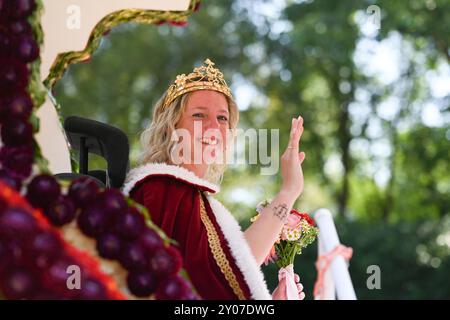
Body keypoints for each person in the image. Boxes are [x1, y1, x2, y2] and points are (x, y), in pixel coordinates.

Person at [122, 59, 306, 300]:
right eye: (199, 115)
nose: (213, 128)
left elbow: (234, 266)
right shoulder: (161, 189)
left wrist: (290, 190)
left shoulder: (193, 197)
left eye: (222, 118)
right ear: (171, 126)